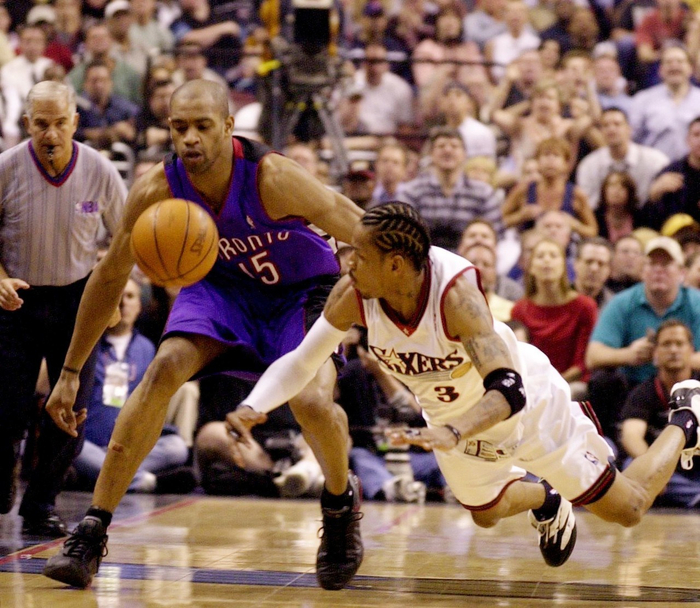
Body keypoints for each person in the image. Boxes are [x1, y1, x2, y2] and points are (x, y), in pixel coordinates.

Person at [223, 201, 700, 569]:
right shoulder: (355, 294)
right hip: (452, 419)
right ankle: (547, 497)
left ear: (395, 265)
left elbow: (508, 390)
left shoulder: (456, 297)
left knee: (628, 509)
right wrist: (253, 405)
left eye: (359, 257)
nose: (347, 265)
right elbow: (302, 361)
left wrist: (454, 432)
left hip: (528, 407)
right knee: (486, 513)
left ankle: (686, 417)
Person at [42, 79, 365, 591]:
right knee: (164, 368)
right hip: (222, 288)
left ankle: (341, 502)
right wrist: (70, 371)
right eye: (179, 127)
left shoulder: (275, 177)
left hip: (300, 292)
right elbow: (108, 278)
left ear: (229, 127)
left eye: (202, 126)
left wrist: (426, 280)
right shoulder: (158, 188)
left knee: (311, 402)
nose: (189, 138)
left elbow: (362, 229)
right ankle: (92, 528)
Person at [0, 81, 126, 535]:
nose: (50, 133)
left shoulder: (101, 172)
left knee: (69, 411)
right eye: (41, 124)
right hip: (16, 297)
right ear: (26, 123)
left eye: (59, 123)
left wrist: (111, 294)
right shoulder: (6, 168)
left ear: (75, 121)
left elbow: (126, 240)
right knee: (5, 408)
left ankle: (41, 505)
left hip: (78, 300)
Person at [73, 278, 195, 493]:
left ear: (139, 306)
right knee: (73, 448)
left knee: (177, 448)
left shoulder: (147, 348)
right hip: (90, 440)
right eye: (118, 297)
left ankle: (99, 474)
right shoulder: (87, 345)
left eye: (130, 297)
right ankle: (147, 482)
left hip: (127, 445)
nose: (123, 303)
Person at [619, 320, 700, 508]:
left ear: (691, 350)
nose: (673, 350)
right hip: (667, 470)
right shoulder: (644, 392)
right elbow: (631, 436)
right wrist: (654, 469)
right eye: (666, 344)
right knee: (631, 465)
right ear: (655, 352)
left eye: (679, 343)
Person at [511, 238, 597, 392]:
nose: (547, 260)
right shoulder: (519, 310)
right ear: (531, 267)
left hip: (572, 385)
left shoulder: (584, 306)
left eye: (553, 255)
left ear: (564, 265)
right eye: (540, 256)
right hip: (532, 384)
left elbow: (583, 363)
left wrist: (555, 385)